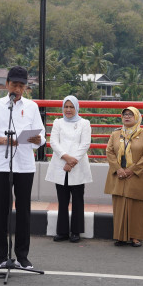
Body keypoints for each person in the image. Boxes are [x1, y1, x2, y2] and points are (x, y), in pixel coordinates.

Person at [0, 66, 45, 270]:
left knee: (24, 211)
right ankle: (1, 254)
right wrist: (2, 140)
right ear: (7, 84)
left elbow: (41, 137)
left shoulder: (32, 107)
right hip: (2, 163)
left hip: (25, 165)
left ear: (25, 87)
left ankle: (22, 256)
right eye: (14, 84)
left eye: (21, 85)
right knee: (1, 209)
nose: (17, 89)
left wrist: (37, 139)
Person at [104, 107, 143, 247]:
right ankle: (120, 236)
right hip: (118, 175)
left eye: (130, 115)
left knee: (137, 207)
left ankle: (135, 237)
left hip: (137, 175)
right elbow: (109, 152)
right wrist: (118, 169)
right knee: (119, 206)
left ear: (137, 117)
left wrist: (132, 170)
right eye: (125, 114)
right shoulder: (115, 134)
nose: (127, 117)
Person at [45, 95, 92, 243]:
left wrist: (72, 162)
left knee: (78, 200)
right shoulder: (58, 122)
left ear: (77, 108)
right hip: (60, 164)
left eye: (71, 107)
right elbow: (53, 142)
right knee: (62, 200)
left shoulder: (85, 123)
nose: (68, 110)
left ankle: (76, 232)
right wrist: (66, 157)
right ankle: (62, 231)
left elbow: (85, 144)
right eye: (66, 106)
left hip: (77, 166)